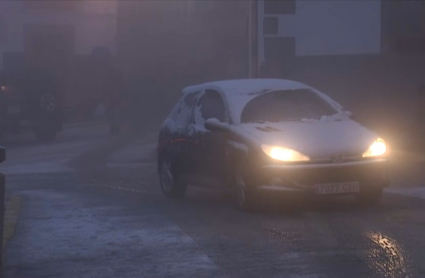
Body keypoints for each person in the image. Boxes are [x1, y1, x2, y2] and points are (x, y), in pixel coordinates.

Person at [89, 46, 127, 134]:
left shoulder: (112, 73)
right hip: (111, 96)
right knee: (112, 111)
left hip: (112, 96)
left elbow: (118, 84)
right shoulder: (113, 72)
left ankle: (115, 126)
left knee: (112, 111)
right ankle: (114, 126)